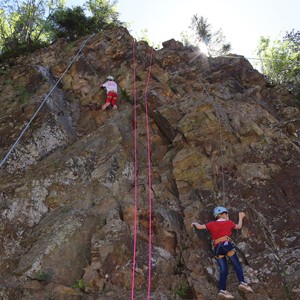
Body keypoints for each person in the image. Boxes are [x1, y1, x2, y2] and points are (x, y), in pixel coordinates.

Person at [191, 206, 253, 299]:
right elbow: (239, 226)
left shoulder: (212, 224)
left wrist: (195, 223)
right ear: (223, 214)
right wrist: (241, 217)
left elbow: (199, 227)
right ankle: (242, 282)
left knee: (224, 270)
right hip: (226, 245)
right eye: (226, 213)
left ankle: (222, 290)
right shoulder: (229, 223)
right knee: (237, 265)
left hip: (217, 248)